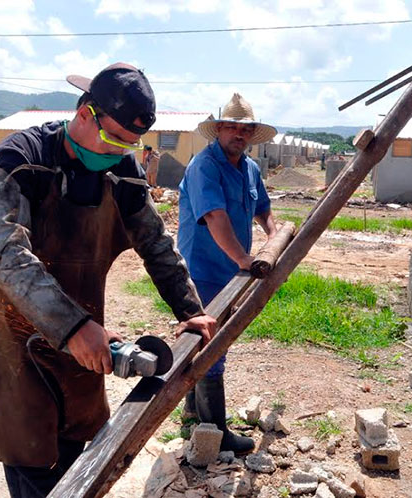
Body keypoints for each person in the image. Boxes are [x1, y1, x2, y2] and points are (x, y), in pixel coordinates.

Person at [0, 62, 217, 498]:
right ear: (86, 113)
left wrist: (191, 310)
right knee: (31, 457)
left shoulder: (123, 173)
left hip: (88, 342)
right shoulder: (24, 159)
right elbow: (5, 253)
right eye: (113, 140)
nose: (117, 153)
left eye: (129, 144)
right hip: (22, 341)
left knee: (79, 453)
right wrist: (72, 326)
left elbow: (156, 244)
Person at [177, 93, 278, 454]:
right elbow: (215, 217)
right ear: (218, 129)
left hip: (232, 269)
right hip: (202, 268)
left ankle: (193, 408)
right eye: (232, 126)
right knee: (211, 342)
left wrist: (273, 234)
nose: (239, 133)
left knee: (208, 339)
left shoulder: (249, 168)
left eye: (245, 128)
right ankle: (214, 431)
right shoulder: (204, 166)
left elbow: (263, 207)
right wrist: (244, 258)